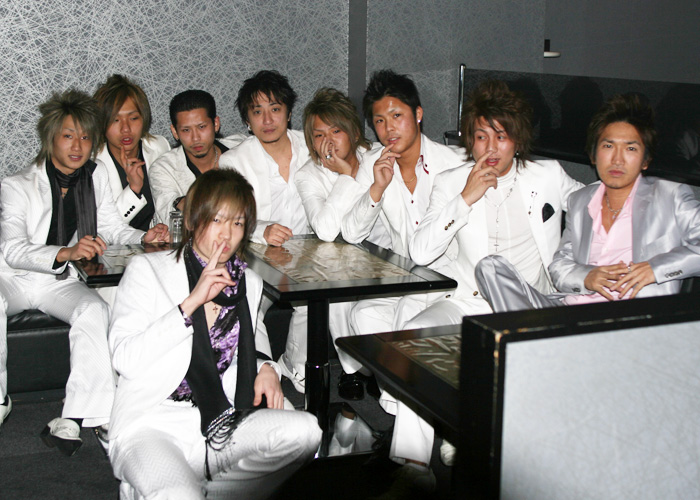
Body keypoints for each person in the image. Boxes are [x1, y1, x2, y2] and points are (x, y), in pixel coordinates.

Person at [382, 80, 583, 494]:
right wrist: (465, 198)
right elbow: (420, 251)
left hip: (524, 305)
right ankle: (412, 466)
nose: (490, 147)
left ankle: (460, 434)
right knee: (414, 340)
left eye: (501, 136)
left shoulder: (546, 175)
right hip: (468, 300)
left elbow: (591, 206)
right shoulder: (451, 181)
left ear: (517, 140)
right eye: (480, 136)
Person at [108, 169, 321, 500]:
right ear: (193, 220)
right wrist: (190, 305)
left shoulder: (247, 281)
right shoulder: (147, 271)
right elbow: (125, 360)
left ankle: (215, 490)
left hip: (221, 416)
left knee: (306, 432)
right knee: (178, 496)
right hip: (152, 422)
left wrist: (266, 367)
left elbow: (251, 336)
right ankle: (154, 486)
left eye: (237, 223)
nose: (227, 234)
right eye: (217, 220)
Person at [0, 89, 168, 454]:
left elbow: (111, 228)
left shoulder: (94, 176)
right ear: (51, 138)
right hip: (12, 278)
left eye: (86, 137)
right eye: (68, 136)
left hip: (57, 281)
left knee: (94, 309)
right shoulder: (16, 186)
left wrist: (144, 236)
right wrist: (67, 252)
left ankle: (80, 414)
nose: (78, 146)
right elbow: (12, 250)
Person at [476, 93, 700, 311]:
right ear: (593, 155)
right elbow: (559, 267)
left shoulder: (670, 196)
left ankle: (531, 332)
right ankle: (536, 330)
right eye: (608, 146)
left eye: (631, 148)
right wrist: (587, 277)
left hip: (631, 317)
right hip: (569, 310)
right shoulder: (581, 201)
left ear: (645, 160)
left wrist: (655, 268)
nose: (617, 159)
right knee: (490, 267)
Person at [341, 69, 465, 351]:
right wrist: (377, 188)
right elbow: (350, 233)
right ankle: (392, 379)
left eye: (397, 115)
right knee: (363, 314)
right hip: (405, 276)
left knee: (407, 318)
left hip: (450, 278)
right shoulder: (374, 163)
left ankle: (399, 380)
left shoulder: (453, 163)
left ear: (417, 114)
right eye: (380, 121)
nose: (389, 129)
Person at [219, 70, 312, 393]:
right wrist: (261, 230)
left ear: (289, 112)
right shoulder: (233, 161)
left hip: (308, 255)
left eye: (275, 109)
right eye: (257, 112)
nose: (267, 120)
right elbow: (227, 217)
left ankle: (296, 367)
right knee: (247, 303)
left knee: (314, 302)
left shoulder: (311, 145)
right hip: (255, 256)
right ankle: (262, 370)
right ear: (247, 120)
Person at [295, 88, 389, 402]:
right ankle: (352, 370)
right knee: (333, 281)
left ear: (353, 132)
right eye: (319, 135)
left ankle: (373, 370)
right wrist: (347, 177)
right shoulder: (308, 175)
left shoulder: (375, 157)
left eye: (336, 131)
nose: (329, 142)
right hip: (341, 259)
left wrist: (354, 173)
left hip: (388, 255)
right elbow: (324, 230)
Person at [149, 90, 244, 226]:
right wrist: (180, 203)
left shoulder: (241, 148)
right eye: (186, 130)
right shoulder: (164, 168)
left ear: (216, 124)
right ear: (175, 132)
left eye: (201, 127)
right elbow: (168, 217)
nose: (195, 138)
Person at [93, 74, 170, 231]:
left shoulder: (159, 147)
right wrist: (134, 188)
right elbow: (104, 229)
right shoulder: (93, 164)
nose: (126, 129)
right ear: (102, 123)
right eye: (115, 120)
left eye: (133, 118)